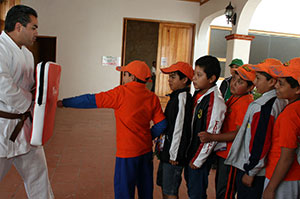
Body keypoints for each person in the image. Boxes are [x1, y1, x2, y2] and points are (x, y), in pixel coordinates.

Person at [57, 60, 167, 199]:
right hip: (145, 153)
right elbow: (162, 124)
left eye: (125, 74)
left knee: (124, 193)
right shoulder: (152, 98)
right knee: (146, 192)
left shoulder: (120, 93)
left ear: (132, 77)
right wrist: (148, 136)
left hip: (126, 155)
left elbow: (90, 100)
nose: (123, 78)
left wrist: (65, 102)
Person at [0, 5, 54, 199]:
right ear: (18, 26)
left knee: (39, 175)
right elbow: (3, 86)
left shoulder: (27, 54)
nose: (36, 33)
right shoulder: (0, 48)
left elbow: (31, 86)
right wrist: (29, 102)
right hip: (2, 127)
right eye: (33, 27)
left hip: (25, 126)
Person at [225, 58, 287, 199]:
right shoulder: (276, 102)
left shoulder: (264, 107)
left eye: (258, 78)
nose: (254, 82)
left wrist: (251, 171)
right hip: (258, 167)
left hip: (254, 170)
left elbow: (260, 140)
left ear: (272, 82)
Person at [199, 64, 255, 199]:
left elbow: (237, 133)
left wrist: (212, 137)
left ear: (251, 87)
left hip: (231, 156)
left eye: (240, 82)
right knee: (220, 186)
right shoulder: (235, 97)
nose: (234, 84)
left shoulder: (245, 103)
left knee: (225, 192)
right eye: (234, 79)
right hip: (223, 153)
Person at [184, 55, 226, 199]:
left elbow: (211, 136)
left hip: (199, 157)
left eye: (199, 75)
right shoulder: (199, 93)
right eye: (194, 74)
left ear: (212, 78)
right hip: (192, 152)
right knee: (192, 189)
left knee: (197, 193)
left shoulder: (215, 102)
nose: (194, 78)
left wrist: (198, 160)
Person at [262, 57, 300, 199]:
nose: (276, 86)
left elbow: (287, 156)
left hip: (284, 179)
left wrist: (271, 188)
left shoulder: (290, 114)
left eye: (281, 84)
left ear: (297, 89)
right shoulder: (293, 108)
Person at [155, 62, 194, 199]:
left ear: (184, 80)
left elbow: (180, 128)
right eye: (169, 77)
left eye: (173, 77)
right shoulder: (175, 96)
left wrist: (174, 155)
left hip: (174, 155)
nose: (169, 80)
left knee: (170, 190)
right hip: (169, 151)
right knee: (165, 186)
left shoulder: (182, 98)